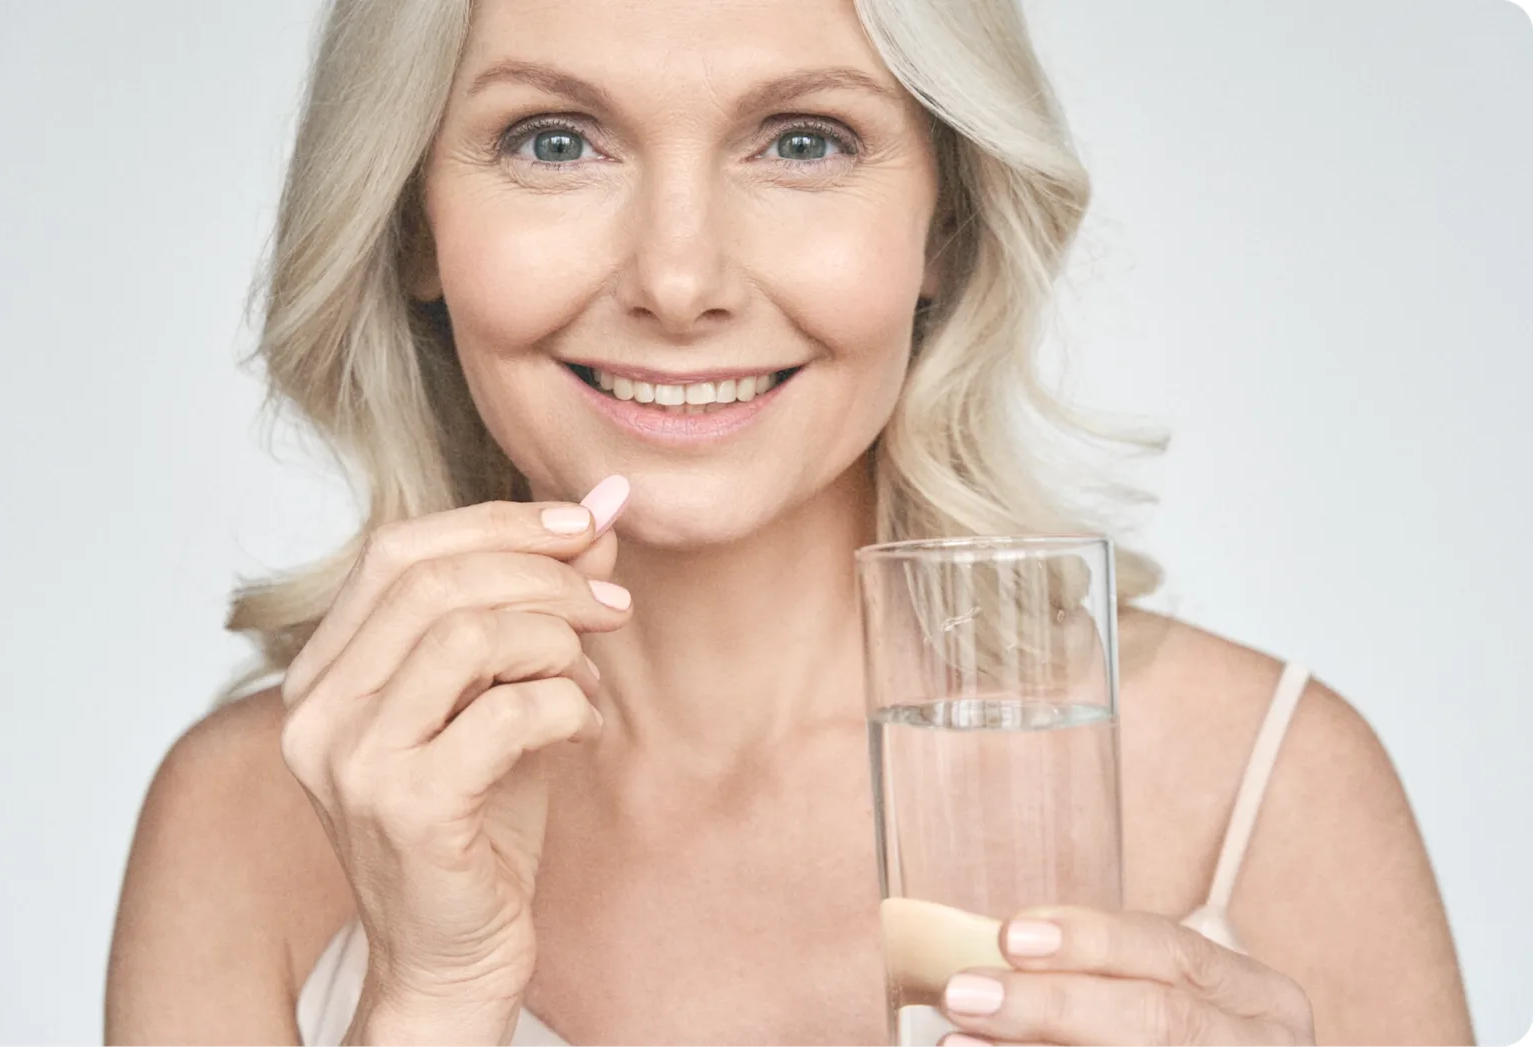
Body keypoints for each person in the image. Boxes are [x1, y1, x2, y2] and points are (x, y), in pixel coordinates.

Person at [102, 0, 1476, 1043]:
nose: (679, 277)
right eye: (555, 140)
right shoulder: (248, 820)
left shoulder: (1266, 788)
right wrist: (433, 998)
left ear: (947, 224)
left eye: (804, 140)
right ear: (414, 223)